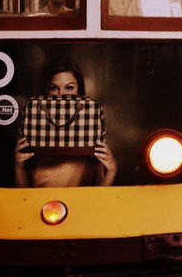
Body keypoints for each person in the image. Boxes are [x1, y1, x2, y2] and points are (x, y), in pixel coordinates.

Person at [15, 58, 117, 188]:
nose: (61, 95)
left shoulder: (90, 127)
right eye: (53, 88)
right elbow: (23, 193)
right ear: (46, 90)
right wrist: (18, 166)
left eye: (69, 88)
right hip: (41, 199)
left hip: (81, 200)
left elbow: (99, 192)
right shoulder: (32, 127)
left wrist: (112, 170)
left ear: (79, 90)